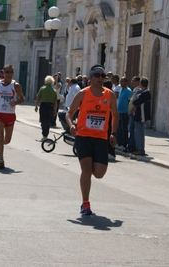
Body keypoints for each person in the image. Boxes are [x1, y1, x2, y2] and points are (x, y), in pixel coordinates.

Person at [66, 64, 119, 215]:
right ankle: (85, 204)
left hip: (101, 138)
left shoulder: (110, 95)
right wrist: (71, 125)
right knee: (86, 169)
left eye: (103, 76)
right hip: (83, 136)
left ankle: (86, 200)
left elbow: (115, 114)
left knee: (99, 173)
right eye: (97, 75)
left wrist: (113, 133)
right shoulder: (83, 94)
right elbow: (69, 113)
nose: (101, 78)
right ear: (91, 78)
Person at [0, 64, 25, 169]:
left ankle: (0, 145)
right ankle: (1, 159)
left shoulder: (16, 85)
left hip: (10, 115)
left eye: (11, 72)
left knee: (7, 140)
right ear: (3, 73)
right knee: (0, 135)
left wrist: (16, 102)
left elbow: (23, 98)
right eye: (7, 72)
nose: (9, 74)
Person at [131, 77, 151, 155]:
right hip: (137, 114)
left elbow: (137, 102)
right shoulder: (141, 92)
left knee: (139, 132)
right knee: (137, 131)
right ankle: (138, 147)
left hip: (142, 115)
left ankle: (140, 149)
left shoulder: (146, 93)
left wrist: (134, 102)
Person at [35, 75, 58, 141]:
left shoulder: (42, 88)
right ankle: (46, 134)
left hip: (43, 106)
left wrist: (36, 106)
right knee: (48, 121)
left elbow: (38, 98)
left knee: (43, 120)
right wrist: (55, 110)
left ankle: (44, 134)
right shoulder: (54, 91)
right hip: (50, 106)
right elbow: (55, 102)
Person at [116, 77, 132, 150]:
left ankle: (124, 144)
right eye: (120, 82)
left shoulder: (128, 91)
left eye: (123, 82)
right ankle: (119, 143)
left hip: (125, 112)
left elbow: (130, 101)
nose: (121, 83)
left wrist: (129, 111)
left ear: (126, 82)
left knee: (124, 128)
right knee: (119, 128)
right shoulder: (121, 90)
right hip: (119, 112)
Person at [126, 76, 141, 153]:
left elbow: (135, 102)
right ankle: (131, 145)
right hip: (132, 111)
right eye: (131, 80)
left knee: (132, 129)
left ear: (138, 82)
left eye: (133, 80)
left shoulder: (138, 90)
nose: (132, 82)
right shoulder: (134, 90)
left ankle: (132, 146)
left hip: (134, 112)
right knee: (131, 129)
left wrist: (131, 108)